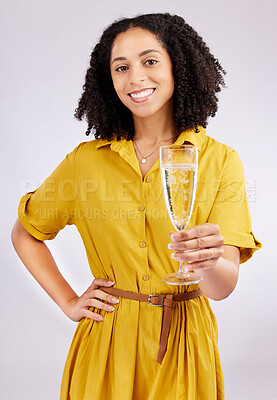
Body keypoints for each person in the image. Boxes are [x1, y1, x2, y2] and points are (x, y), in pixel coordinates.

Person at [11, 13, 262, 400]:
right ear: (108, 80)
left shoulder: (220, 161)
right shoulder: (85, 162)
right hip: (107, 338)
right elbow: (26, 231)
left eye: (150, 61)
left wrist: (207, 262)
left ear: (179, 66)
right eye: (121, 67)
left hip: (183, 337)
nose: (135, 78)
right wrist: (68, 301)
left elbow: (223, 287)